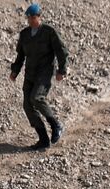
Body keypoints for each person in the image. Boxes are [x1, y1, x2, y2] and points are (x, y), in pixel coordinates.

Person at [9, 3, 69, 150]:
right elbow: (20, 55)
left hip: (44, 73)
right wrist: (15, 71)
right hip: (30, 74)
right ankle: (43, 139)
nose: (30, 20)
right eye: (28, 18)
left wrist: (62, 70)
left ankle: (56, 125)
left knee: (36, 98)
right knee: (28, 106)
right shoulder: (24, 34)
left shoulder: (49, 32)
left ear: (39, 17)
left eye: (33, 17)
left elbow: (61, 51)